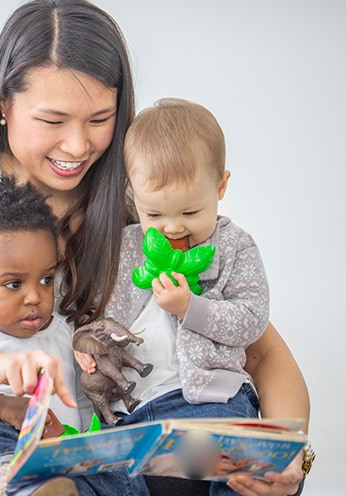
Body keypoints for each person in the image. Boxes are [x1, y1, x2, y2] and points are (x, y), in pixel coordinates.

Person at [0, 1, 310, 495]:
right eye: (52, 120)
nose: (76, 146)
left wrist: (291, 457)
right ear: (4, 105)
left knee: (217, 478)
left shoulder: (145, 218)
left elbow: (260, 351)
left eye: (99, 119)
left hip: (75, 457)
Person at [0, 177, 145, 495]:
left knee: (118, 460)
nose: (35, 297)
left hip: (53, 449)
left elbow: (79, 400)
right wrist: (1, 406)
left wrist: (79, 439)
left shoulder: (60, 331)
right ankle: (21, 486)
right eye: (14, 284)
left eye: (46, 280)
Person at [91, 98, 263, 495]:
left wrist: (191, 308)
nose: (171, 228)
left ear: (220, 186)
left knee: (237, 470)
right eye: (154, 215)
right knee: (111, 479)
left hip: (212, 400)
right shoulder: (124, 248)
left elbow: (252, 318)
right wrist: (90, 350)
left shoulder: (234, 247)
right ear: (133, 196)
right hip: (133, 412)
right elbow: (102, 318)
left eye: (189, 213)